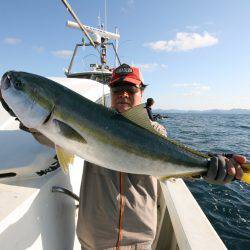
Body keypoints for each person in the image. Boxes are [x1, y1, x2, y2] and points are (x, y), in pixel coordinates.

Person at [5, 64, 246, 249]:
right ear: (110, 93)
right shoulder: (90, 118)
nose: (124, 95)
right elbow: (47, 134)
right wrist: (23, 115)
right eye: (117, 90)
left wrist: (210, 167)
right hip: (95, 237)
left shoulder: (156, 133)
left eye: (130, 90)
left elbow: (171, 167)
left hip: (140, 238)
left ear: (141, 92)